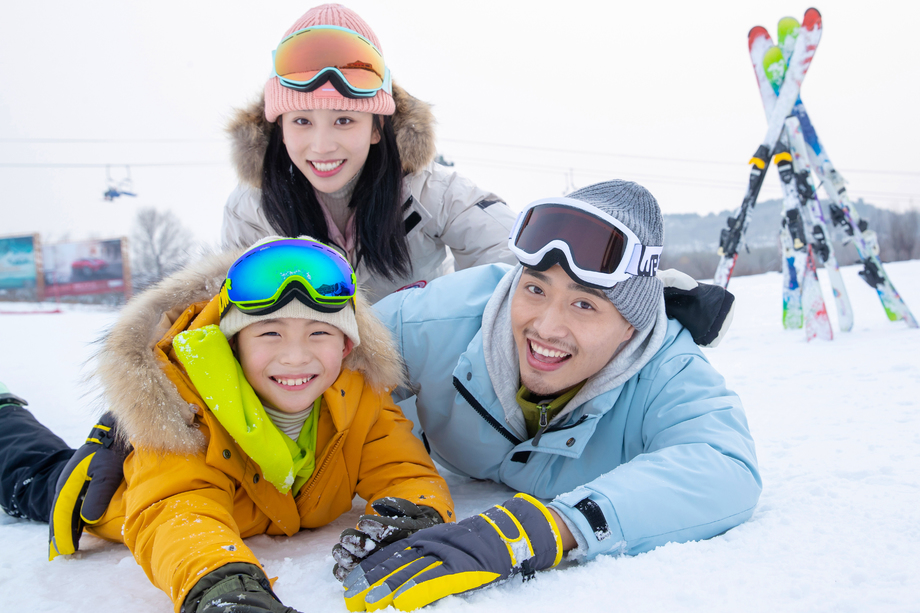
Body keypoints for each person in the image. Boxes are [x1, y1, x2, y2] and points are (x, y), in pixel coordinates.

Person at [336, 180, 760, 611]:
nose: (546, 328)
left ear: (631, 324)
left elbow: (725, 465)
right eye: (535, 290)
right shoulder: (433, 320)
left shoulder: (667, 366)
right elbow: (318, 373)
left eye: (585, 305)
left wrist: (550, 526)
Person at [1, 237, 454, 613]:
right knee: (32, 472)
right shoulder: (182, 412)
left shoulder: (362, 400)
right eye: (270, 333)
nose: (295, 356)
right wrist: (219, 581)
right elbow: (177, 511)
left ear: (347, 347)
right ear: (233, 345)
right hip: (116, 491)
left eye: (319, 333)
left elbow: (404, 470)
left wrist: (417, 515)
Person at [222, 3, 518, 303]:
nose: (322, 145)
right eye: (302, 121)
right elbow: (235, 316)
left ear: (377, 128)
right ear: (280, 130)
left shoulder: (430, 193)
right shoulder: (252, 212)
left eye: (344, 120)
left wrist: (431, 322)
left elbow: (518, 262)